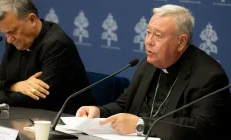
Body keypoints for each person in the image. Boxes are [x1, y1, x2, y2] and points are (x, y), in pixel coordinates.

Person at [76, 4, 231, 139]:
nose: (149, 41)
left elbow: (201, 128)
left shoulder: (209, 76)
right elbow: (125, 105)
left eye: (158, 35)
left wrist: (141, 125)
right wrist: (99, 113)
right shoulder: (149, 64)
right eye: (148, 32)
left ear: (181, 41)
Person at [0, 0, 95, 114]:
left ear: (32, 20)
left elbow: (38, 98)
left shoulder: (58, 44)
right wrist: (16, 86)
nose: (9, 39)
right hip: (26, 117)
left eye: (13, 32)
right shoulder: (14, 42)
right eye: (5, 33)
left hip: (64, 120)